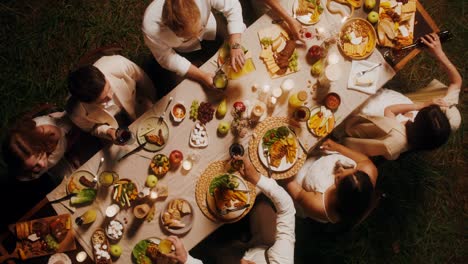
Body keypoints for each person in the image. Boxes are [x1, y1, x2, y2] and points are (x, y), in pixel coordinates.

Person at [344, 33, 462, 160]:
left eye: (421, 111)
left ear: (416, 122)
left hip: (362, 107)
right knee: (456, 119)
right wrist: (439, 53)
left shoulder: (397, 136)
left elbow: (389, 109)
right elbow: (457, 82)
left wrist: (420, 105)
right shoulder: (437, 125)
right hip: (380, 93)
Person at [163, 156, 296, 264]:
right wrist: (256, 178)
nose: (244, 262)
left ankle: (223, 246)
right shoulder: (282, 260)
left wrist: (186, 260)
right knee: (261, 205)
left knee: (217, 250)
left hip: (235, 254)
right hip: (266, 247)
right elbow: (287, 209)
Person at [142, 0, 246, 90]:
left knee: (241, 37)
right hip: (182, 50)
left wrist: (235, 44)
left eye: (199, 28)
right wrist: (202, 76)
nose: (197, 36)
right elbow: (167, 58)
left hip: (210, 27)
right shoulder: (151, 28)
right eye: (188, 36)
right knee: (184, 88)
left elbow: (232, 6)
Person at [283, 139, 377, 227]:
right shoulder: (368, 170)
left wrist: (289, 164)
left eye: (338, 177)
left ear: (338, 195)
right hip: (320, 155)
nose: (340, 169)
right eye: (350, 169)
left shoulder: (318, 206)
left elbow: (296, 191)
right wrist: (336, 147)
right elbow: (364, 160)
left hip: (299, 179)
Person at [66, 55, 155, 142]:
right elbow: (92, 128)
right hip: (111, 124)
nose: (110, 96)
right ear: (87, 103)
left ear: (104, 76)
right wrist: (107, 131)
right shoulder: (76, 113)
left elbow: (143, 79)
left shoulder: (118, 64)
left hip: (137, 101)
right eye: (102, 99)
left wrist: (153, 100)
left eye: (108, 88)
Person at [4, 109, 72, 182]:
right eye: (34, 167)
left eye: (39, 156)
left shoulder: (50, 133)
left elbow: (65, 133)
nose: (43, 165)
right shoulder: (24, 173)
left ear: (38, 143)